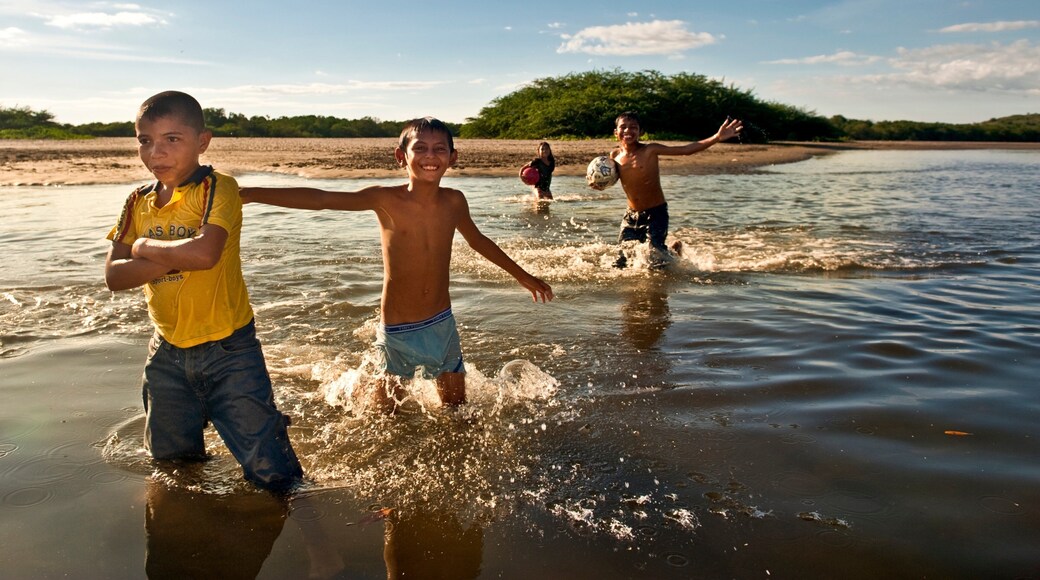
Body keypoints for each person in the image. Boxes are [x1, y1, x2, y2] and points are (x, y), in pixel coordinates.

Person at [240, 117, 554, 411]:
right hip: (398, 330)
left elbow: (478, 241)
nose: (430, 156)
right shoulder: (385, 199)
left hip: (442, 324)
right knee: (386, 414)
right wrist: (254, 193)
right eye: (420, 148)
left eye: (439, 149)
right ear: (401, 156)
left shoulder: (454, 200)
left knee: (459, 412)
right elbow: (322, 199)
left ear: (452, 157)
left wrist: (522, 276)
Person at [104, 90, 303, 493]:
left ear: (202, 141)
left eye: (171, 139)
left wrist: (143, 249)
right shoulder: (136, 201)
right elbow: (113, 276)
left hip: (230, 352)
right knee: (173, 465)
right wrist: (178, 255)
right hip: (166, 355)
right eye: (145, 140)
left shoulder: (217, 187)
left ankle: (317, 543)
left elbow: (206, 253)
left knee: (273, 472)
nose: (155, 152)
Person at [608, 111, 743, 269]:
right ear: (616, 132)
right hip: (631, 215)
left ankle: (673, 252)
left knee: (656, 259)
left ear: (641, 132)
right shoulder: (615, 155)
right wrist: (596, 185)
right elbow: (608, 179)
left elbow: (686, 149)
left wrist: (716, 137)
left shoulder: (649, 150)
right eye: (623, 127)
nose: (628, 131)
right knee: (621, 261)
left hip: (656, 213)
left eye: (633, 127)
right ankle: (672, 250)